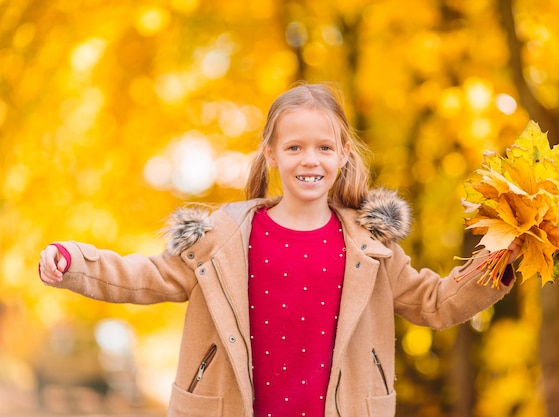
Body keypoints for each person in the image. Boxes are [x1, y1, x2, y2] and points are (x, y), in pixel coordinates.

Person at [39, 82, 522, 417]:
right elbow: (146, 275)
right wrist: (74, 261)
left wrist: (501, 256)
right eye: (294, 148)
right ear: (270, 153)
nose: (309, 160)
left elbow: (435, 303)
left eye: (323, 148)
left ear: (343, 155)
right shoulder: (223, 235)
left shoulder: (370, 244)